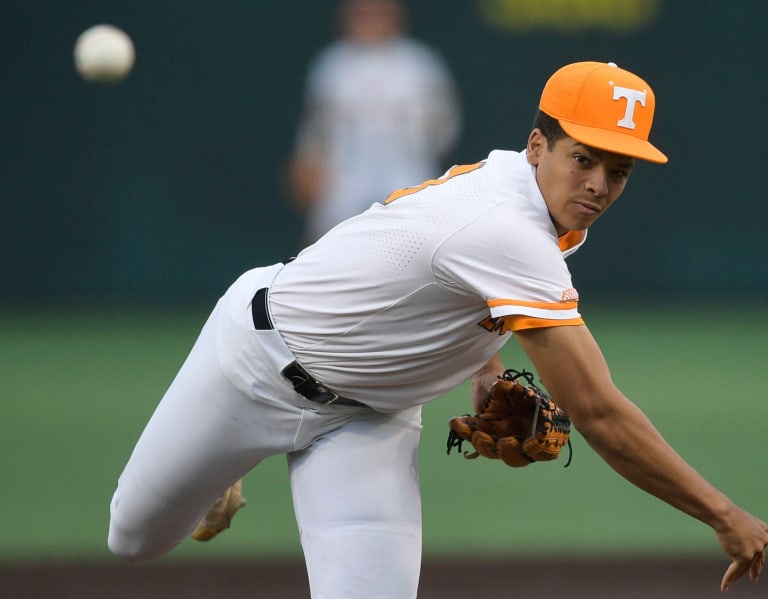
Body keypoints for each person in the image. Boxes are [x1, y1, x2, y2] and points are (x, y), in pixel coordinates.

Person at [108, 61, 767, 597]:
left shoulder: (538, 203)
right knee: (134, 539)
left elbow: (455, 287)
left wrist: (484, 374)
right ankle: (222, 466)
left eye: (618, 170)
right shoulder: (507, 225)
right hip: (254, 363)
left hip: (372, 416)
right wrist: (724, 514)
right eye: (584, 158)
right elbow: (597, 411)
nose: (598, 184)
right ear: (538, 145)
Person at [286, 0, 461, 245]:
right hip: (343, 179)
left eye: (379, 13)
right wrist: (308, 162)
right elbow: (316, 129)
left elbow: (444, 126)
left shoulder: (421, 64)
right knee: (331, 247)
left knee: (414, 247)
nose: (371, 21)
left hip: (407, 174)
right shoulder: (332, 65)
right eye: (363, 14)